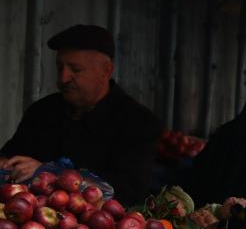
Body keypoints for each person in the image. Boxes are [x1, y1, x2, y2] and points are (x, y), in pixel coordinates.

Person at [0, 24, 161, 205]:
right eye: (59, 67)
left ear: (106, 70)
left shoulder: (138, 122)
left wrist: (49, 173)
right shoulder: (42, 111)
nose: (63, 78)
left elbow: (129, 191)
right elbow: (12, 155)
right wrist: (6, 164)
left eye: (75, 70)